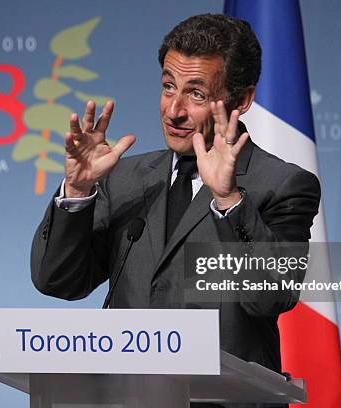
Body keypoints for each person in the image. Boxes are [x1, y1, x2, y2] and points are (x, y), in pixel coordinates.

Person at [31, 13, 320, 385]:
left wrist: (228, 200)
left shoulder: (281, 184)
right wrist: (77, 192)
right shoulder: (124, 178)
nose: (173, 110)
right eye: (169, 87)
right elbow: (58, 281)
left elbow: (270, 298)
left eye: (196, 94)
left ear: (243, 99)